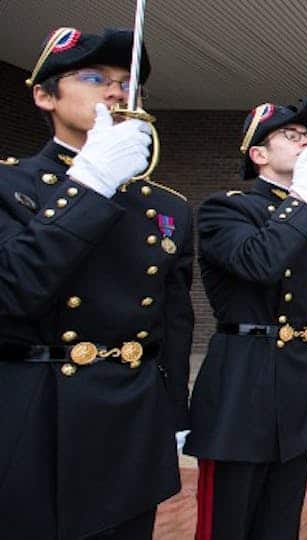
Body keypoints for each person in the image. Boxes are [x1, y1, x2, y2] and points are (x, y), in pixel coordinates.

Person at [0, 27, 194, 539]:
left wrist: (171, 412)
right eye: (94, 78)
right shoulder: (9, 186)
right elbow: (12, 292)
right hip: (39, 413)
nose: (116, 91)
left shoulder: (167, 206)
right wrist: (88, 185)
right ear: (44, 95)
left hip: (132, 413)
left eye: (130, 84)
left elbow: (174, 319)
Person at [185, 99, 307, 538]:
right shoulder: (225, 208)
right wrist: (303, 199)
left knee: (281, 513)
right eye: (292, 136)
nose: (306, 143)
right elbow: (257, 263)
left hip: (296, 376)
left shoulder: (306, 218)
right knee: (231, 516)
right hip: (245, 378)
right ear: (259, 154)